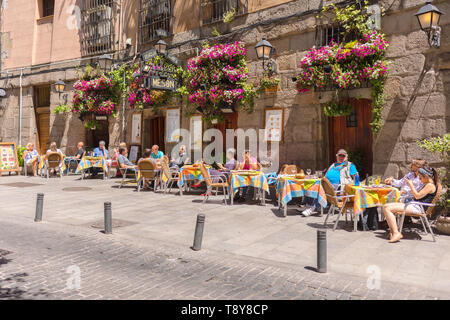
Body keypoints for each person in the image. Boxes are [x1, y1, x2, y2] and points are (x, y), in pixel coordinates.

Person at [382, 166, 439, 243]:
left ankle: (396, 233)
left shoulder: (430, 185)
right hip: (414, 205)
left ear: (426, 176)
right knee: (386, 206)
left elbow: (417, 195)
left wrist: (411, 185)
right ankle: (393, 232)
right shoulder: (427, 184)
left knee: (387, 208)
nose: (420, 179)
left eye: (420, 177)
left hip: (418, 208)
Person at [298, 148, 358, 217]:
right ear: (336, 156)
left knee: (322, 189)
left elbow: (356, 177)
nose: (341, 157)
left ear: (346, 157)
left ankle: (312, 208)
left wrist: (352, 187)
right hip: (327, 184)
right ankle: (308, 205)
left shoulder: (350, 165)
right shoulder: (333, 165)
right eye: (339, 155)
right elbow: (326, 175)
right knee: (312, 185)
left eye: (343, 156)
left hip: (339, 186)